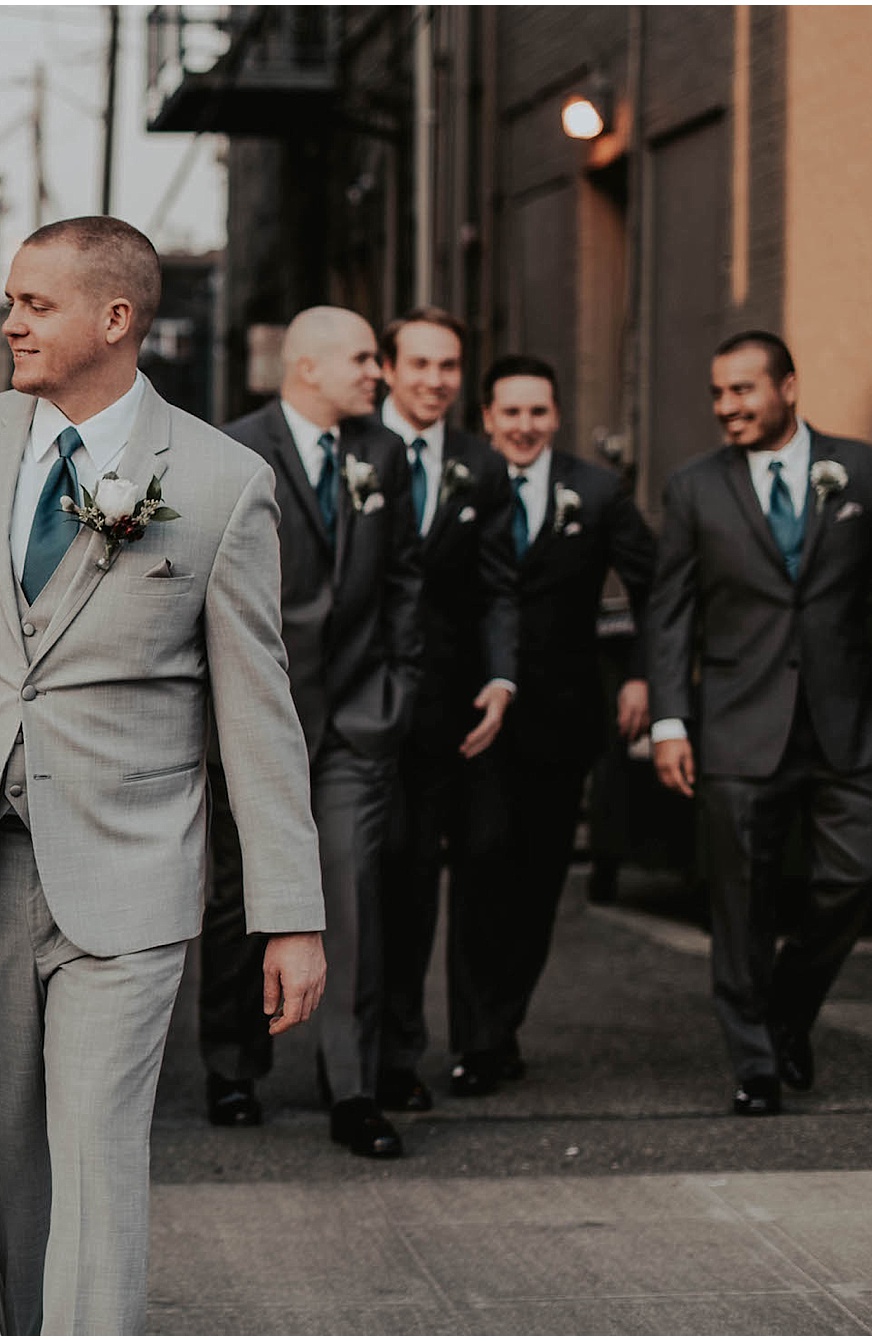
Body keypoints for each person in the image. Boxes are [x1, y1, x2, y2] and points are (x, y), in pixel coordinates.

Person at [0, 218, 327, 1334]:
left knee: (96, 1154)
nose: (9, 324)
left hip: (127, 881)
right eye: (10, 302)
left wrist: (289, 916)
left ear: (114, 319)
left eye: (34, 305)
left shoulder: (226, 483)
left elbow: (258, 714)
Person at [646, 331, 872, 1116]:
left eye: (744, 391)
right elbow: (670, 611)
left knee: (851, 879)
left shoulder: (865, 470)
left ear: (788, 385)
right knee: (741, 903)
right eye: (719, 394)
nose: (728, 408)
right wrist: (670, 721)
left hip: (846, 720)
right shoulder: (693, 488)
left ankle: (786, 1008)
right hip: (737, 726)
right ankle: (755, 1062)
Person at [200, 305, 422, 1161]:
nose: (379, 373)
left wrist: (396, 691)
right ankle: (232, 1062)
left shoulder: (384, 454)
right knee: (240, 895)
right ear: (308, 367)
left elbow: (403, 577)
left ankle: (353, 1087)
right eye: (364, 358)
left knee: (353, 894)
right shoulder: (234, 448)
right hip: (257, 711)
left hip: (360, 712)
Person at [446, 356, 656, 1096]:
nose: (524, 426)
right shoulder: (460, 482)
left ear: (557, 415)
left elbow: (653, 584)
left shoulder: (596, 491)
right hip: (475, 715)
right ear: (488, 417)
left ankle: (501, 1026)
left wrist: (639, 671)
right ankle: (474, 1040)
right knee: (480, 865)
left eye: (538, 412)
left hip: (563, 718)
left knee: (536, 882)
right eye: (510, 413)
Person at [373, 308, 519, 1113]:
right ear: (389, 368)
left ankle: (399, 1054)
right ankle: (347, 1053)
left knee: (415, 881)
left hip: (439, 713)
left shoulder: (479, 465)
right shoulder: (355, 446)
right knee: (361, 880)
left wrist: (502, 678)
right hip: (355, 704)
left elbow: (498, 584)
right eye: (420, 364)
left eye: (450, 366)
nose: (435, 380)